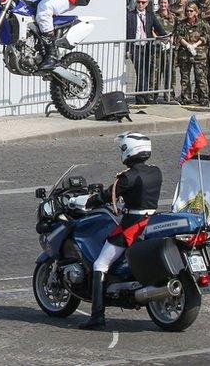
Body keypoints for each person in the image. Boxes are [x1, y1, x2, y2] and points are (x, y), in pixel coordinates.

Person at [82, 132, 162, 330]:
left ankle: (97, 316)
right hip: (151, 221)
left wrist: (86, 201)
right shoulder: (156, 171)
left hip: (132, 225)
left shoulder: (128, 177)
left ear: (129, 151)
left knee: (100, 263)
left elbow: (108, 196)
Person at [126, 0, 166, 103]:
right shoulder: (130, 15)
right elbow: (125, 32)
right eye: (139, 2)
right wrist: (126, 50)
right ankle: (141, 96)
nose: (140, 4)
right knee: (140, 71)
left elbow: (159, 28)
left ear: (147, 4)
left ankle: (142, 96)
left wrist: (166, 38)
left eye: (143, 2)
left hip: (147, 47)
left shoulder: (150, 15)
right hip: (135, 47)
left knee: (147, 71)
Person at [174, 4, 210, 105]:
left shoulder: (202, 23)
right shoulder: (182, 23)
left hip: (198, 53)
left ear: (196, 12)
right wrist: (188, 45)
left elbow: (205, 37)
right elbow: (179, 36)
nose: (189, 13)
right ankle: (186, 98)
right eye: (187, 11)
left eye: (191, 11)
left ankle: (203, 98)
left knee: (200, 77)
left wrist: (195, 45)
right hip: (185, 54)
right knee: (185, 77)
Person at [151, 0, 176, 102]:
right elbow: (151, 29)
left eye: (165, 3)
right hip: (157, 47)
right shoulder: (154, 16)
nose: (163, 5)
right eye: (161, 2)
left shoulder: (173, 17)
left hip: (169, 48)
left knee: (169, 72)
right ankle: (153, 95)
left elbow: (175, 31)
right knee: (155, 72)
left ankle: (168, 95)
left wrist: (171, 41)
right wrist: (158, 40)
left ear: (168, 4)